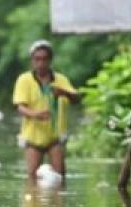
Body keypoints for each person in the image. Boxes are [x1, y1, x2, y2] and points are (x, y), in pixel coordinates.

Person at [12, 40, 80, 183]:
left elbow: (76, 99)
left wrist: (63, 93)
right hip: (33, 137)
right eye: (37, 59)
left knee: (60, 177)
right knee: (32, 177)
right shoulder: (24, 80)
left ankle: (58, 204)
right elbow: (20, 107)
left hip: (55, 136)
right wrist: (36, 115)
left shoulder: (60, 79)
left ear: (50, 60)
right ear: (32, 61)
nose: (41, 63)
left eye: (44, 59)